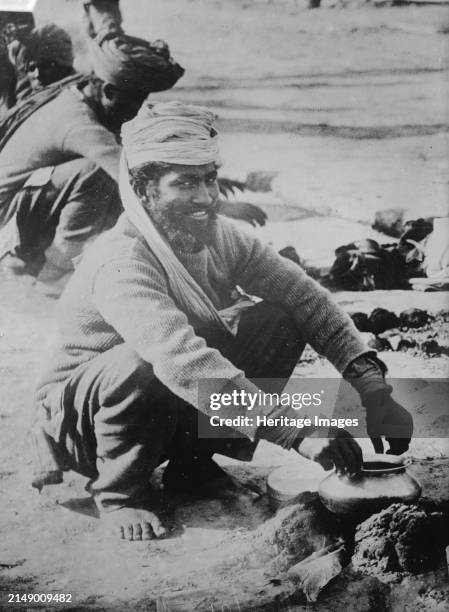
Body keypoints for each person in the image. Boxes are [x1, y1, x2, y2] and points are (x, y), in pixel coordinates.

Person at [31, 100, 413, 540]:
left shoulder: (216, 235)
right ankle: (119, 494)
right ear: (143, 188)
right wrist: (298, 430)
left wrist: (372, 389)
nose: (207, 197)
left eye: (210, 179)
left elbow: (307, 298)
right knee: (144, 361)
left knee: (278, 315)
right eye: (186, 183)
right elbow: (183, 362)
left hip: (165, 402)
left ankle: (192, 466)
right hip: (86, 426)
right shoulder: (120, 261)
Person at [0, 30, 184, 284]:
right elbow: (129, 176)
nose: (136, 110)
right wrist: (210, 205)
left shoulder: (78, 91)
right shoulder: (80, 124)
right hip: (6, 220)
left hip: (24, 205)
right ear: (108, 91)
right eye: (133, 102)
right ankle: (53, 272)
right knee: (98, 174)